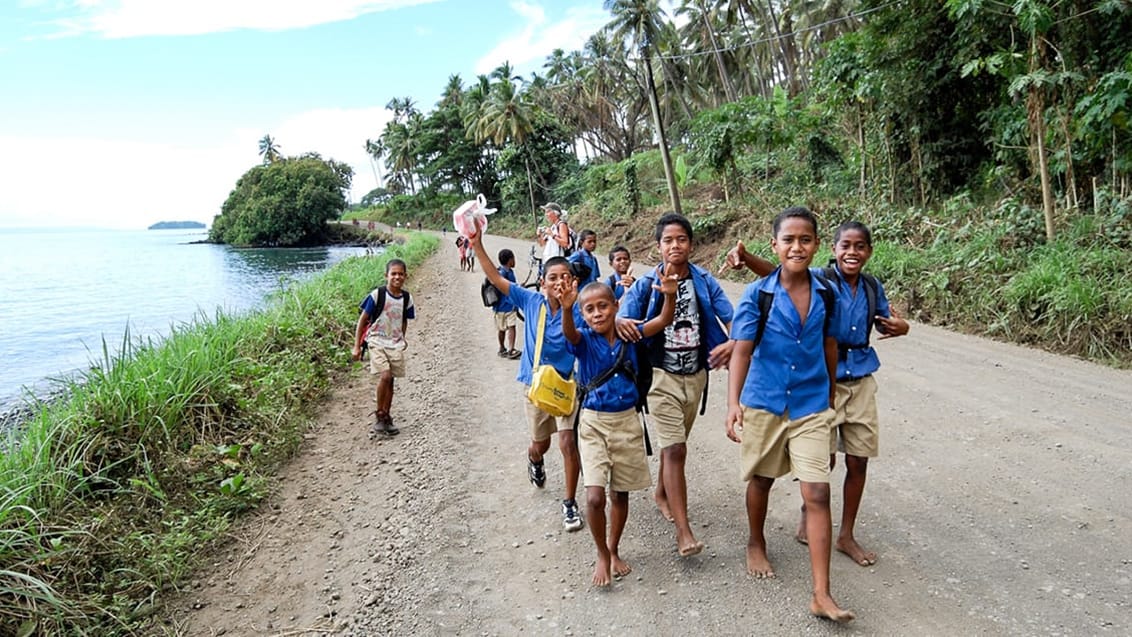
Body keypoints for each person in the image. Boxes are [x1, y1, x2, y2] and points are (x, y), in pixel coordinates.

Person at [722, 220, 910, 568]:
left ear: (869, 251)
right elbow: (782, 274)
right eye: (846, 247)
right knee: (814, 464)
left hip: (855, 377)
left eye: (860, 247)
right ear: (833, 250)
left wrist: (903, 326)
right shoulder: (822, 281)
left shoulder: (869, 287)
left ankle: (843, 535)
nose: (852, 253)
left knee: (856, 460)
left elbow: (884, 320)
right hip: (821, 382)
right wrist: (748, 260)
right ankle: (789, 526)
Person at [725, 206, 854, 623]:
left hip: (812, 404)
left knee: (817, 492)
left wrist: (831, 403)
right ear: (776, 245)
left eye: (805, 239)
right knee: (761, 479)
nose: (797, 247)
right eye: (789, 240)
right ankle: (755, 541)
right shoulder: (757, 294)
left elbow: (830, 348)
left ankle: (821, 593)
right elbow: (741, 351)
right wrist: (733, 404)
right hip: (764, 402)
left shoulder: (828, 294)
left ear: (817, 245)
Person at [615, 212, 734, 558]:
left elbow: (732, 316)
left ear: (691, 244)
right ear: (658, 247)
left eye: (681, 239)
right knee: (675, 450)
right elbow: (622, 315)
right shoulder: (646, 284)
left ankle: (662, 494)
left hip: (696, 376)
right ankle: (684, 532)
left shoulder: (704, 281)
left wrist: (733, 340)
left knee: (678, 444)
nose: (675, 245)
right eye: (668, 240)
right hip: (660, 377)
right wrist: (623, 322)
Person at [558, 273, 678, 586]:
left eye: (603, 306)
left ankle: (613, 548)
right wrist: (567, 308)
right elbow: (569, 334)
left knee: (619, 493)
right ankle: (600, 552)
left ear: (615, 306)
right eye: (590, 309)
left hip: (627, 421)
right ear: (583, 314)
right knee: (595, 497)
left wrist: (669, 294)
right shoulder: (583, 340)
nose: (597, 313)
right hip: (594, 424)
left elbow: (663, 320)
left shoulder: (631, 332)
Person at [469, 228, 584, 532]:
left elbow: (583, 337)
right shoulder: (532, 302)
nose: (559, 282)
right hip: (536, 386)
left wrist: (572, 309)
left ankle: (570, 503)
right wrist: (477, 244)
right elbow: (496, 278)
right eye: (553, 277)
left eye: (565, 277)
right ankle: (534, 460)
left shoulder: (580, 308)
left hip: (567, 386)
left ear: (573, 281)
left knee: (569, 442)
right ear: (543, 282)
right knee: (540, 444)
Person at [352, 258, 415, 437]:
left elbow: (403, 320)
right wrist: (357, 346)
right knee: (385, 375)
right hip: (376, 341)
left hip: (395, 343)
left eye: (400, 274)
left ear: (405, 276)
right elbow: (362, 320)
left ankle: (387, 416)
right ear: (386, 276)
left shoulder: (407, 298)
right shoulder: (377, 295)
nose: (397, 277)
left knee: (391, 380)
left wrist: (402, 338)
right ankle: (380, 415)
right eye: (393, 274)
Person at [495, 248, 522, 360]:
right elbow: (510, 288)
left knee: (501, 329)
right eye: (513, 259)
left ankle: (502, 348)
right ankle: (511, 349)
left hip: (499, 307)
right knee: (511, 327)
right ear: (510, 260)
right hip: (509, 305)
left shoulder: (500, 271)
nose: (515, 261)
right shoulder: (507, 273)